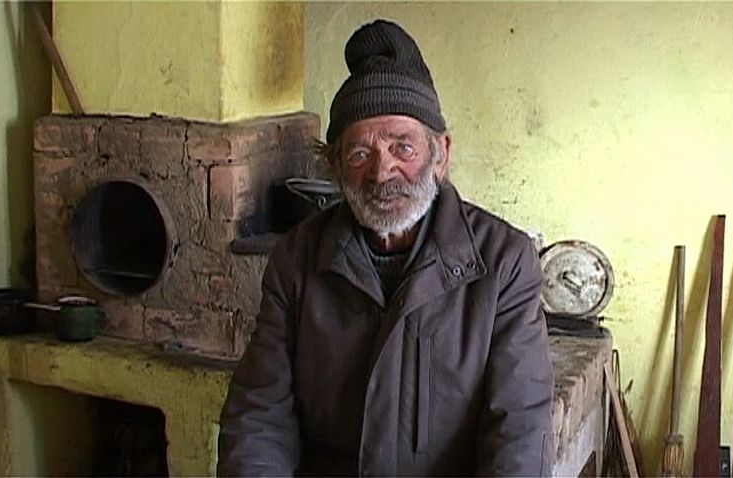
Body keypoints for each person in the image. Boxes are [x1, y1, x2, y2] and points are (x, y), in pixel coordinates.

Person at [218, 19, 554, 477]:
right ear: (336, 167)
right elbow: (259, 417)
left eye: (403, 148)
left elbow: (518, 437)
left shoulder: (503, 263)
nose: (382, 172)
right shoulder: (297, 259)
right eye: (360, 154)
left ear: (441, 155)